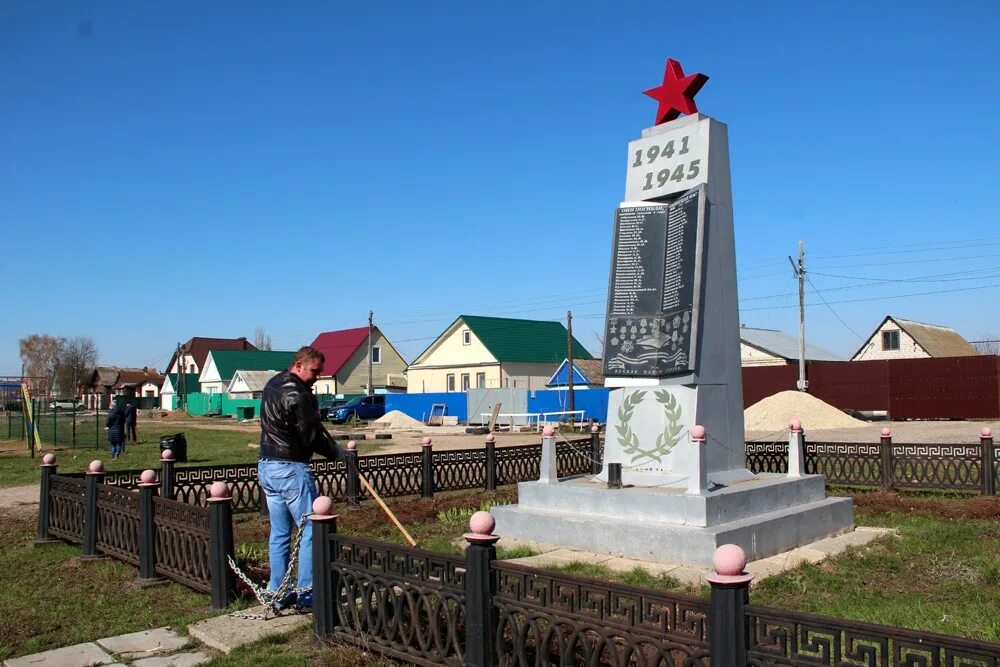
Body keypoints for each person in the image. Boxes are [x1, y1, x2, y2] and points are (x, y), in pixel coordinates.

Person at [258, 346, 342, 611]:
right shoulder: (298, 393)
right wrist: (336, 453)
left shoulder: (273, 384)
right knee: (309, 530)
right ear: (299, 365)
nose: (318, 376)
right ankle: (307, 593)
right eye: (315, 371)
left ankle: (278, 591)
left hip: (267, 466)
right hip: (291, 467)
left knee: (280, 533)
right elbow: (311, 436)